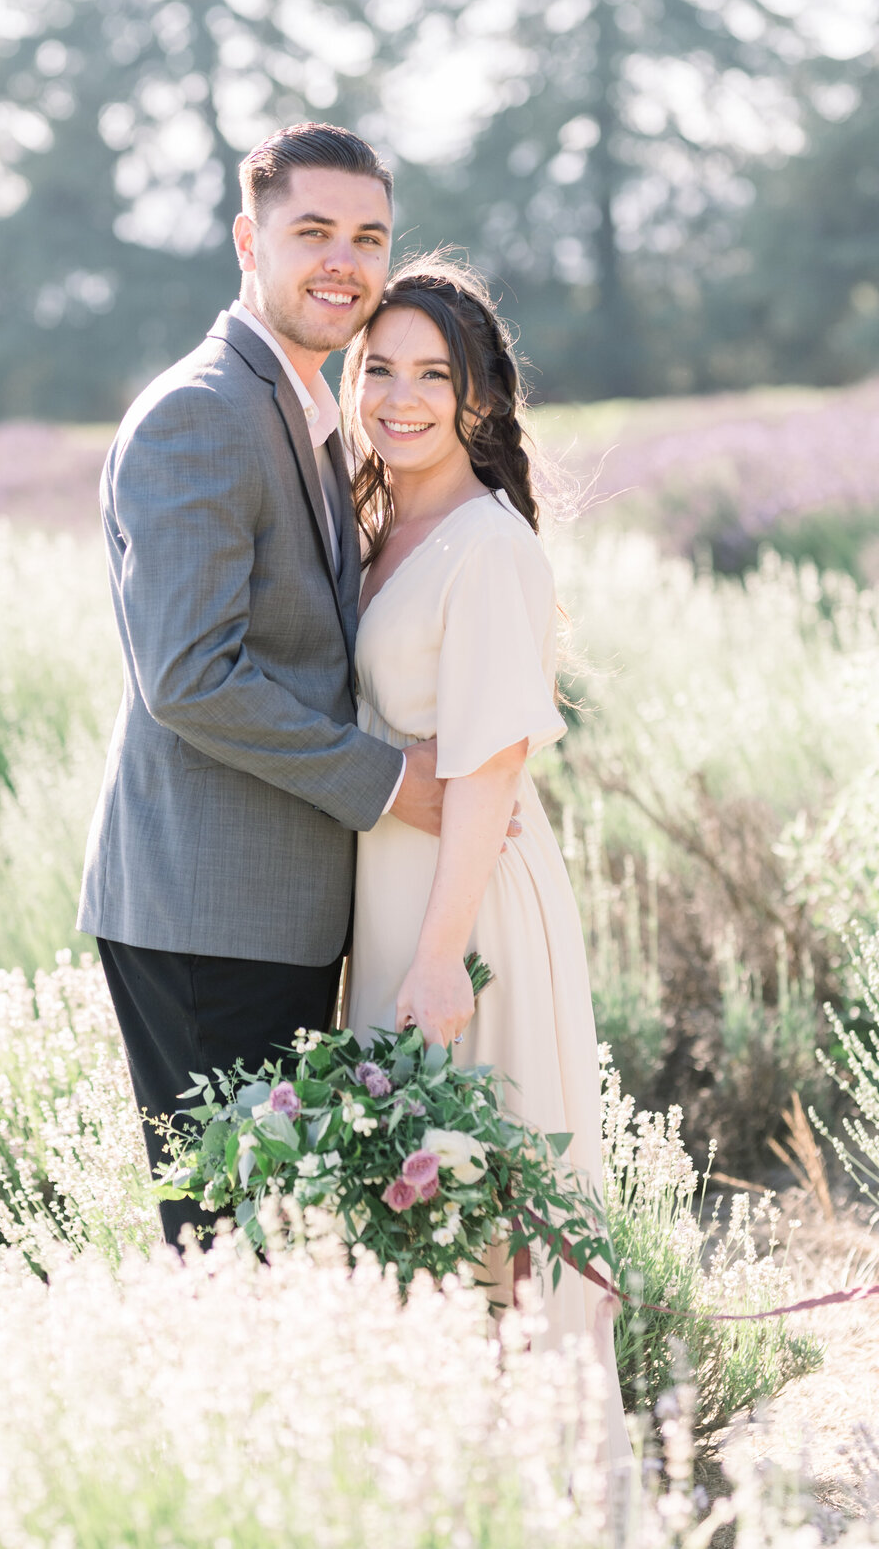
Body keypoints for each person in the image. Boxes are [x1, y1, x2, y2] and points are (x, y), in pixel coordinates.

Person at [77, 122, 451, 1247]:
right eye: (313, 232)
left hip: (267, 905)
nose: (344, 260)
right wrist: (388, 785)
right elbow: (190, 678)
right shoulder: (203, 412)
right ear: (250, 240)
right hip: (208, 910)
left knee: (270, 1238)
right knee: (227, 1242)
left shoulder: (297, 405)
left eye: (368, 237)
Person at [340, 254, 631, 1463]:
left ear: (479, 400)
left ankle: (547, 1482)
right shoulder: (378, 521)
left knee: (490, 1194)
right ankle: (452, 1475)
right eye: (380, 368)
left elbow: (494, 763)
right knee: (423, 1201)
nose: (401, 397)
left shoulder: (486, 541)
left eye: (432, 375)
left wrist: (440, 956)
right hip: (392, 888)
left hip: (468, 907)